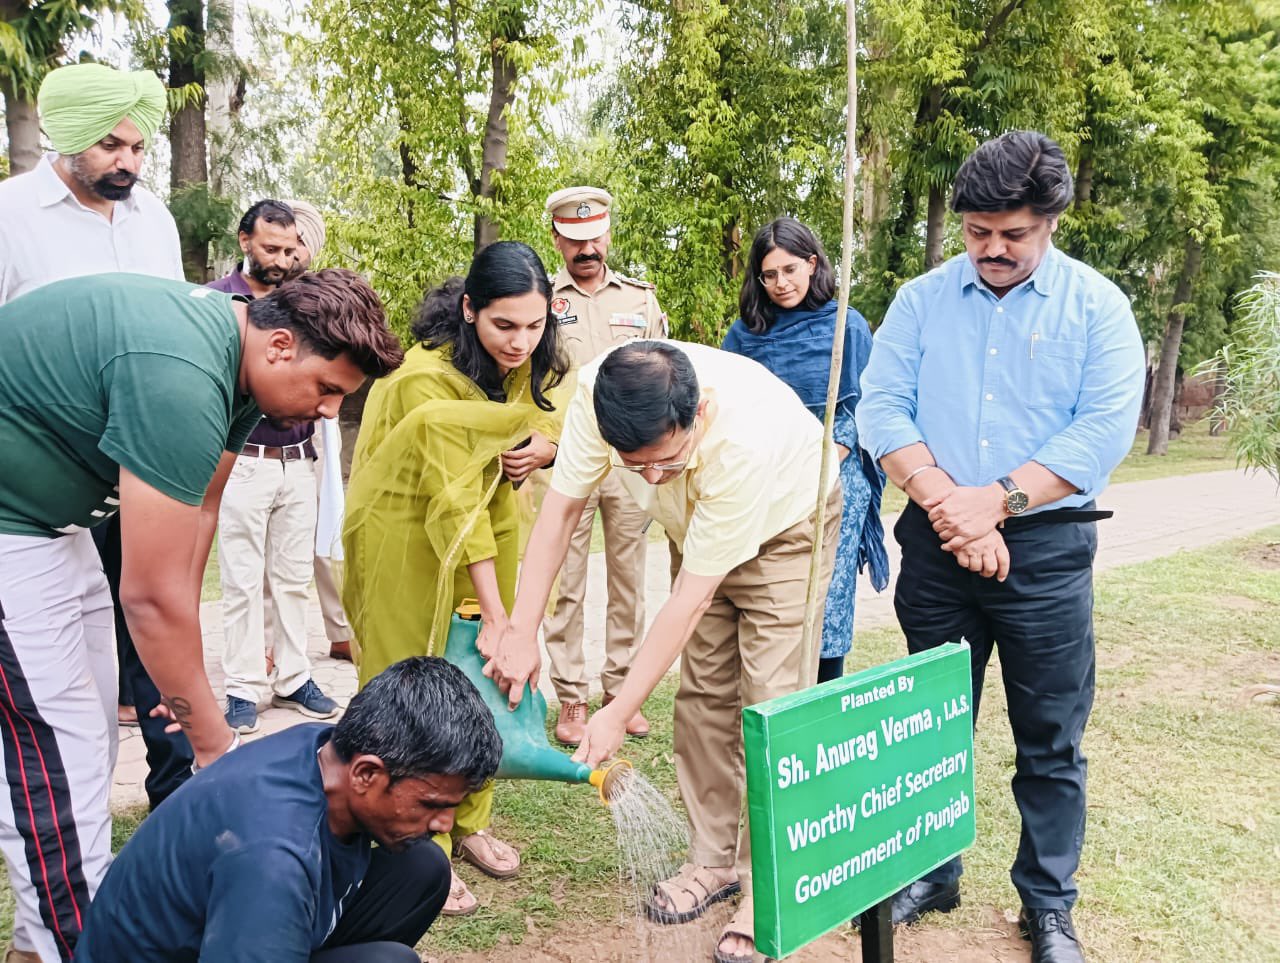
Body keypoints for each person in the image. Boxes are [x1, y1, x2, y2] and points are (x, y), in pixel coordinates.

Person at [0, 269, 404, 963]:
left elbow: (201, 512)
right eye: (327, 388)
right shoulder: (182, 375)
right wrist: (213, 743)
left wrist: (178, 680)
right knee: (58, 750)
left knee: (90, 737)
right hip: (13, 530)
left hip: (51, 527)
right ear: (281, 345)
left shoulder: (239, 359)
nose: (329, 410)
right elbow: (148, 596)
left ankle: (39, 944)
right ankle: (78, 949)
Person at [856, 131, 1145, 963]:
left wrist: (995, 502)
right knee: (929, 722)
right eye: (977, 231)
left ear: (1051, 221)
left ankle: (1047, 904)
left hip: (1046, 549)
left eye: (1012, 234)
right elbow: (883, 407)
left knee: (1049, 734)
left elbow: (1101, 431)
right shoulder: (921, 300)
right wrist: (951, 506)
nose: (991, 249)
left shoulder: (1097, 307)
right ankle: (930, 871)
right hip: (937, 541)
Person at [486, 340, 841, 963]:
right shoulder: (598, 398)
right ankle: (712, 861)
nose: (650, 478)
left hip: (786, 528)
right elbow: (559, 514)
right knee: (703, 697)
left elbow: (689, 601)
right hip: (696, 524)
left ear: (698, 414)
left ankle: (770, 886)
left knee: (771, 703)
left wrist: (619, 710)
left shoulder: (741, 441)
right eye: (635, 466)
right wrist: (520, 630)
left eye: (665, 462)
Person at [0, 61, 194, 869]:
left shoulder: (154, 219)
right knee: (57, 691)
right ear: (66, 135)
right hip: (36, 490)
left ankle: (176, 803)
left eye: (139, 146)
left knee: (141, 647)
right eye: (112, 144)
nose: (129, 161)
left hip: (138, 475)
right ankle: (61, 848)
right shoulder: (10, 216)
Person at [342, 240, 568, 916]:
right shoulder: (424, 379)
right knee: (415, 680)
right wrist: (499, 617)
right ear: (469, 309)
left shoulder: (524, 362)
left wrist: (546, 445)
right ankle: (421, 844)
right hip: (409, 540)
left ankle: (468, 820)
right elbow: (451, 503)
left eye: (534, 325)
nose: (521, 342)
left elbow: (556, 413)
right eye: (504, 325)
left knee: (482, 676)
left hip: (489, 527)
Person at [75, 655, 503, 962]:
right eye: (431, 803)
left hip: (235, 929)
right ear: (366, 774)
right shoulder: (273, 860)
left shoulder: (327, 748)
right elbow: (272, 866)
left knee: (422, 866)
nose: (444, 823)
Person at [722, 217, 889, 682]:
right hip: (767, 478)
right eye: (769, 274)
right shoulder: (744, 335)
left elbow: (863, 406)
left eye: (790, 269)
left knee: (827, 598)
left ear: (813, 264)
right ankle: (769, 696)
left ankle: (824, 696)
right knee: (771, 596)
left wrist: (823, 462)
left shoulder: (846, 324)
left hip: (832, 475)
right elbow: (731, 407)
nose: (781, 283)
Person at [541, 186, 668, 746]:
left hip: (628, 463)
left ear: (608, 233)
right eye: (575, 240)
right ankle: (571, 695)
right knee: (565, 583)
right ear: (557, 240)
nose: (587, 249)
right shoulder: (540, 302)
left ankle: (620, 692)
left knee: (628, 581)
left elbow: (665, 370)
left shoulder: (639, 299)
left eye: (595, 237)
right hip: (566, 461)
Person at [210, 201, 341, 734]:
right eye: (271, 249)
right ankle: (243, 686)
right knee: (241, 580)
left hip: (298, 459)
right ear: (245, 241)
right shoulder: (219, 302)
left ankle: (293, 677)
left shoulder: (302, 305)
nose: (282, 260)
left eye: (290, 250)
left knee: (292, 578)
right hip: (243, 461)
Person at [282, 199, 354, 663]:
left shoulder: (324, 295)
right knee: (275, 544)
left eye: (298, 244)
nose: (290, 254)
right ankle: (272, 643)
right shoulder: (257, 296)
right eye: (281, 244)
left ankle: (341, 629)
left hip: (319, 426)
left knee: (330, 526)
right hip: (267, 431)